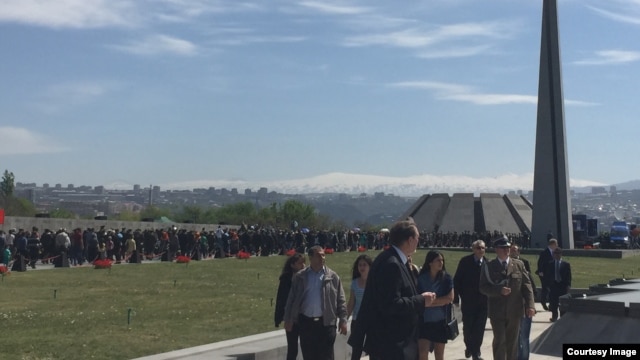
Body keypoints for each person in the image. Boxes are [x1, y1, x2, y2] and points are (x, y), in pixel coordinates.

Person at [349, 219, 436, 360]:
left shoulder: (394, 260)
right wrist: (421, 300)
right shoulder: (391, 265)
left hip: (395, 344)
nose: (418, 241)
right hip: (392, 345)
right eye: (417, 238)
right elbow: (390, 304)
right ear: (409, 240)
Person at [283, 246, 348, 360]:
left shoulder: (332, 277)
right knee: (309, 356)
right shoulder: (300, 277)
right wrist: (288, 319)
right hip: (306, 323)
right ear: (310, 258)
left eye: (323, 255)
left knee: (326, 356)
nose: (322, 257)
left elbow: (341, 300)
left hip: (326, 324)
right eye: (319, 255)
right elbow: (291, 300)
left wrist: (343, 320)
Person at [479, 235, 535, 360]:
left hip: (515, 311)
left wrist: (530, 305)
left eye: (508, 247)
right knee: (500, 340)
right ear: (496, 250)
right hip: (497, 311)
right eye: (503, 247)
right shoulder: (489, 266)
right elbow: (483, 287)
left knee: (512, 342)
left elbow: (527, 286)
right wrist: (499, 291)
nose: (506, 250)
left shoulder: (519, 265)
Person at [453, 239, 488, 360]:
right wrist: (456, 297)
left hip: (483, 302)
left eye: (483, 248)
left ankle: (476, 352)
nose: (481, 250)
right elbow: (457, 280)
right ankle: (469, 346)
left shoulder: (488, 263)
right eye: (478, 248)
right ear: (473, 249)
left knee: (480, 328)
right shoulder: (465, 262)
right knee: (468, 327)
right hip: (468, 301)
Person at [417, 250, 454, 360]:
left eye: (442, 260)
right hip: (424, 321)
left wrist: (429, 302)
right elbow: (418, 299)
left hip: (440, 321)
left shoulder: (446, 278)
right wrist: (435, 302)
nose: (441, 262)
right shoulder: (421, 278)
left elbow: (449, 298)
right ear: (430, 262)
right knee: (422, 353)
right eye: (438, 260)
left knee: (439, 354)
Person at [275, 253, 306, 360]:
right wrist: (280, 317)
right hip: (291, 317)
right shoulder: (286, 279)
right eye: (300, 263)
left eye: (304, 263)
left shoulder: (306, 277)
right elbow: (281, 299)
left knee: (307, 347)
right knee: (292, 349)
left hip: (304, 316)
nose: (303, 265)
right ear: (292, 265)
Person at [510, 244, 537, 360]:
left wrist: (531, 306)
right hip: (512, 309)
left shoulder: (525, 273)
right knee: (514, 336)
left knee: (524, 337)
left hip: (525, 308)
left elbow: (531, 289)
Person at [346, 254, 372, 360]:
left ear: (370, 266)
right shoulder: (355, 283)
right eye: (360, 265)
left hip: (372, 321)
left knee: (373, 350)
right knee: (356, 350)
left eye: (364, 265)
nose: (361, 267)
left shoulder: (375, 282)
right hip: (357, 320)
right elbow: (351, 303)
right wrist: (345, 319)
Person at [545, 247, 571, 322]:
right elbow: (548, 275)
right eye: (555, 253)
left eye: (558, 253)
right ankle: (554, 316)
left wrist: (568, 285)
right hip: (553, 285)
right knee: (553, 302)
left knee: (562, 302)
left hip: (562, 286)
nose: (556, 255)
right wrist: (548, 285)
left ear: (561, 254)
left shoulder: (566, 264)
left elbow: (568, 276)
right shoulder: (550, 264)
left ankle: (562, 316)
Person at [536, 238, 558, 311]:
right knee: (545, 288)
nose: (557, 246)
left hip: (551, 274)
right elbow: (540, 262)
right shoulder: (544, 252)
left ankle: (550, 304)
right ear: (552, 244)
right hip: (544, 274)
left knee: (551, 289)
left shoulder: (555, 252)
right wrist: (540, 271)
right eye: (556, 244)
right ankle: (543, 301)